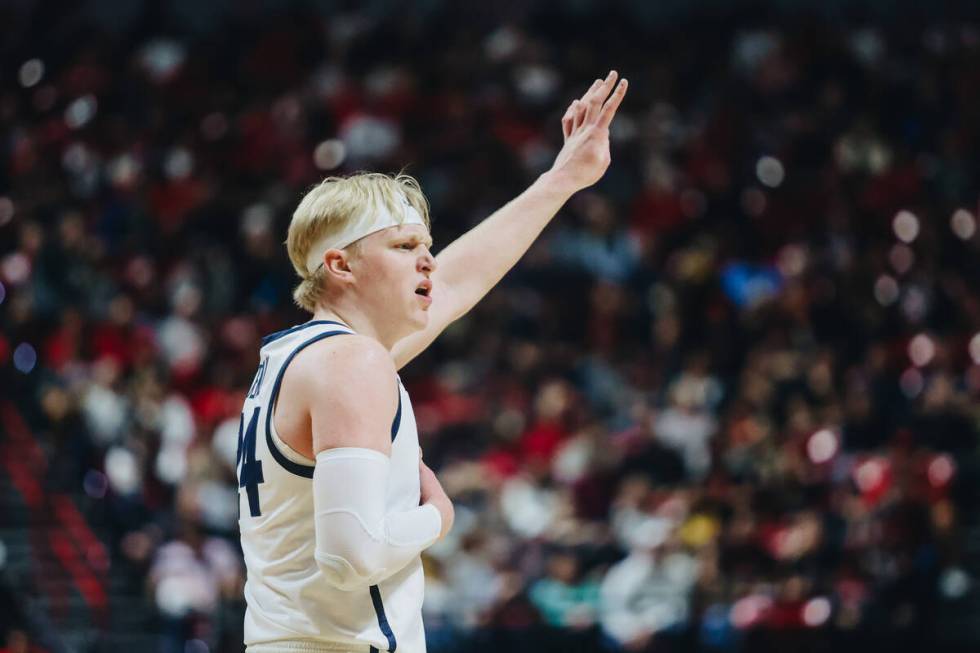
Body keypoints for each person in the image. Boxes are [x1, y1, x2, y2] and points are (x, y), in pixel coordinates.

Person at [237, 70, 629, 652]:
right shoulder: (351, 362)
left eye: (426, 248)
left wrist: (562, 179)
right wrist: (439, 517)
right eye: (403, 248)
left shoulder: (295, 355)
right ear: (342, 266)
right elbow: (350, 558)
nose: (427, 263)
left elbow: (458, 281)